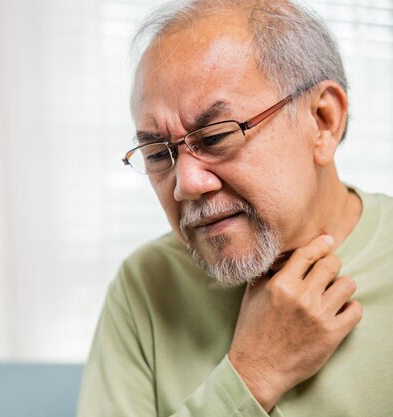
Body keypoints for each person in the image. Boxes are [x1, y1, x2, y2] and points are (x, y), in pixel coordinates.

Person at [76, 0, 393, 416]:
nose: (186, 186)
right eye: (157, 154)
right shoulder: (146, 285)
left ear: (323, 121)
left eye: (216, 137)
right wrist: (251, 376)